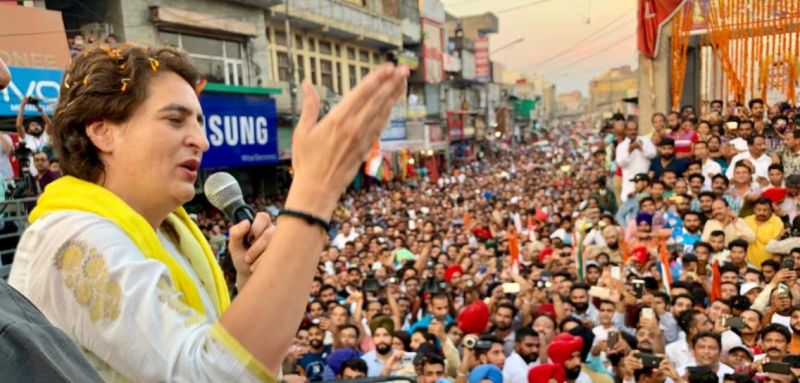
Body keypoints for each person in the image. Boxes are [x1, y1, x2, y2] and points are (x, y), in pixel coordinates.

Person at [9, 44, 410, 381]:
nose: (201, 140)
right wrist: (315, 192)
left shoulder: (170, 231)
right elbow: (211, 375)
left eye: (200, 123)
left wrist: (249, 287)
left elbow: (218, 352)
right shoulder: (73, 241)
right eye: (175, 119)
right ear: (102, 132)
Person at [616, 121, 656, 201]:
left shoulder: (645, 140)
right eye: (630, 130)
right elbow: (620, 163)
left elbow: (653, 154)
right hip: (629, 184)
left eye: (635, 129)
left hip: (646, 183)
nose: (633, 132)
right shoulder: (621, 146)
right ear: (625, 131)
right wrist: (629, 151)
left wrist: (641, 148)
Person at [15, 95, 53, 177]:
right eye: (33, 125)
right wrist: (22, 105)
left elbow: (49, 124)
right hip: (33, 173)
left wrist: (39, 108)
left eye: (37, 125)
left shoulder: (45, 135)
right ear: (28, 130)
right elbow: (19, 125)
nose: (36, 126)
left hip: (48, 171)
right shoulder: (26, 138)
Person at [744, 197, 785, 267]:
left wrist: (774, 267)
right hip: (748, 265)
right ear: (753, 209)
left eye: (765, 210)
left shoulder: (777, 223)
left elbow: (776, 248)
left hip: (768, 266)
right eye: (758, 210)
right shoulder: (746, 220)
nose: (761, 213)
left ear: (771, 210)